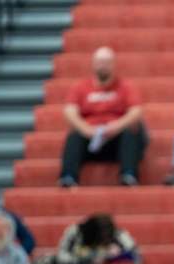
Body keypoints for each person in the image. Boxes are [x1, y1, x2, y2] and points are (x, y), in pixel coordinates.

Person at [59, 47, 147, 187]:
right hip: (89, 138)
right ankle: (68, 177)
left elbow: (136, 111)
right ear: (93, 64)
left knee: (134, 128)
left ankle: (128, 175)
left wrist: (116, 127)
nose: (103, 66)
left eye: (107, 62)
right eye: (100, 62)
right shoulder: (81, 87)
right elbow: (69, 111)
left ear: (113, 65)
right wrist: (85, 129)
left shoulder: (125, 87)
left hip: (117, 139)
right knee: (74, 134)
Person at [47, 213, 140, 264]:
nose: (104, 240)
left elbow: (135, 257)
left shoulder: (118, 234)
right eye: (101, 237)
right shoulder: (75, 231)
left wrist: (110, 258)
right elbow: (61, 257)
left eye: (107, 236)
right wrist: (86, 260)